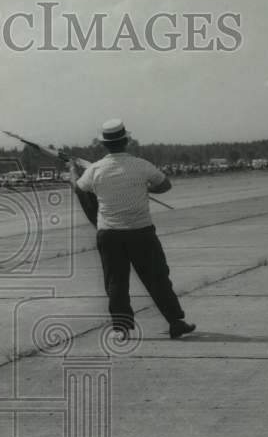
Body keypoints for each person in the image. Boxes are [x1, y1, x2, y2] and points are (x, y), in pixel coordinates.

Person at [71, 119, 196, 340]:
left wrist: (72, 170)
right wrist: (144, 188)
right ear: (126, 141)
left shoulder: (95, 169)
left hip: (109, 234)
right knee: (158, 278)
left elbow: (79, 187)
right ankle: (175, 322)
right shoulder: (141, 165)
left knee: (116, 281)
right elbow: (165, 185)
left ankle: (122, 328)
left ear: (104, 145)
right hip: (141, 232)